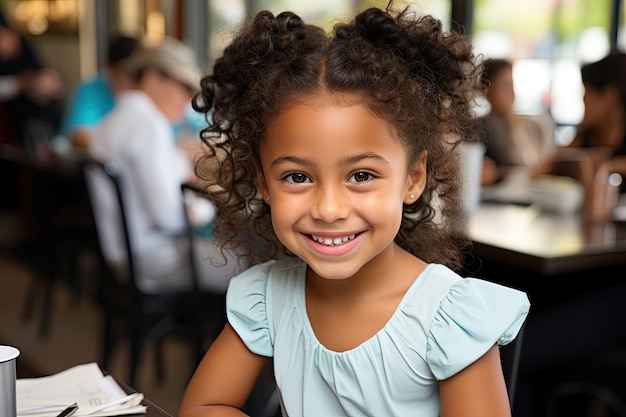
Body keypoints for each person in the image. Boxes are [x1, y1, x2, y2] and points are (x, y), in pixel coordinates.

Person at [179, 7, 530, 417]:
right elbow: (205, 405)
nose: (329, 209)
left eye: (361, 175)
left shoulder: (447, 319)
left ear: (412, 179)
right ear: (263, 184)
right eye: (296, 177)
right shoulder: (268, 299)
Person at [88, 36, 244, 294]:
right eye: (183, 87)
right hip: (152, 258)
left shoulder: (109, 124)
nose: (187, 101)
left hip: (122, 253)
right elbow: (169, 219)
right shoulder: (150, 125)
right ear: (152, 77)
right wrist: (204, 209)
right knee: (254, 263)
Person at [475, 58, 555, 185]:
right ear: (487, 90)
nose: (511, 93)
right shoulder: (480, 128)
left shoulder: (527, 125)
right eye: (504, 86)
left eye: (512, 85)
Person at [60, 34, 139, 149]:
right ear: (109, 68)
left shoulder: (144, 94)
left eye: (136, 76)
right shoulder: (90, 90)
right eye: (126, 74)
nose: (131, 82)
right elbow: (79, 135)